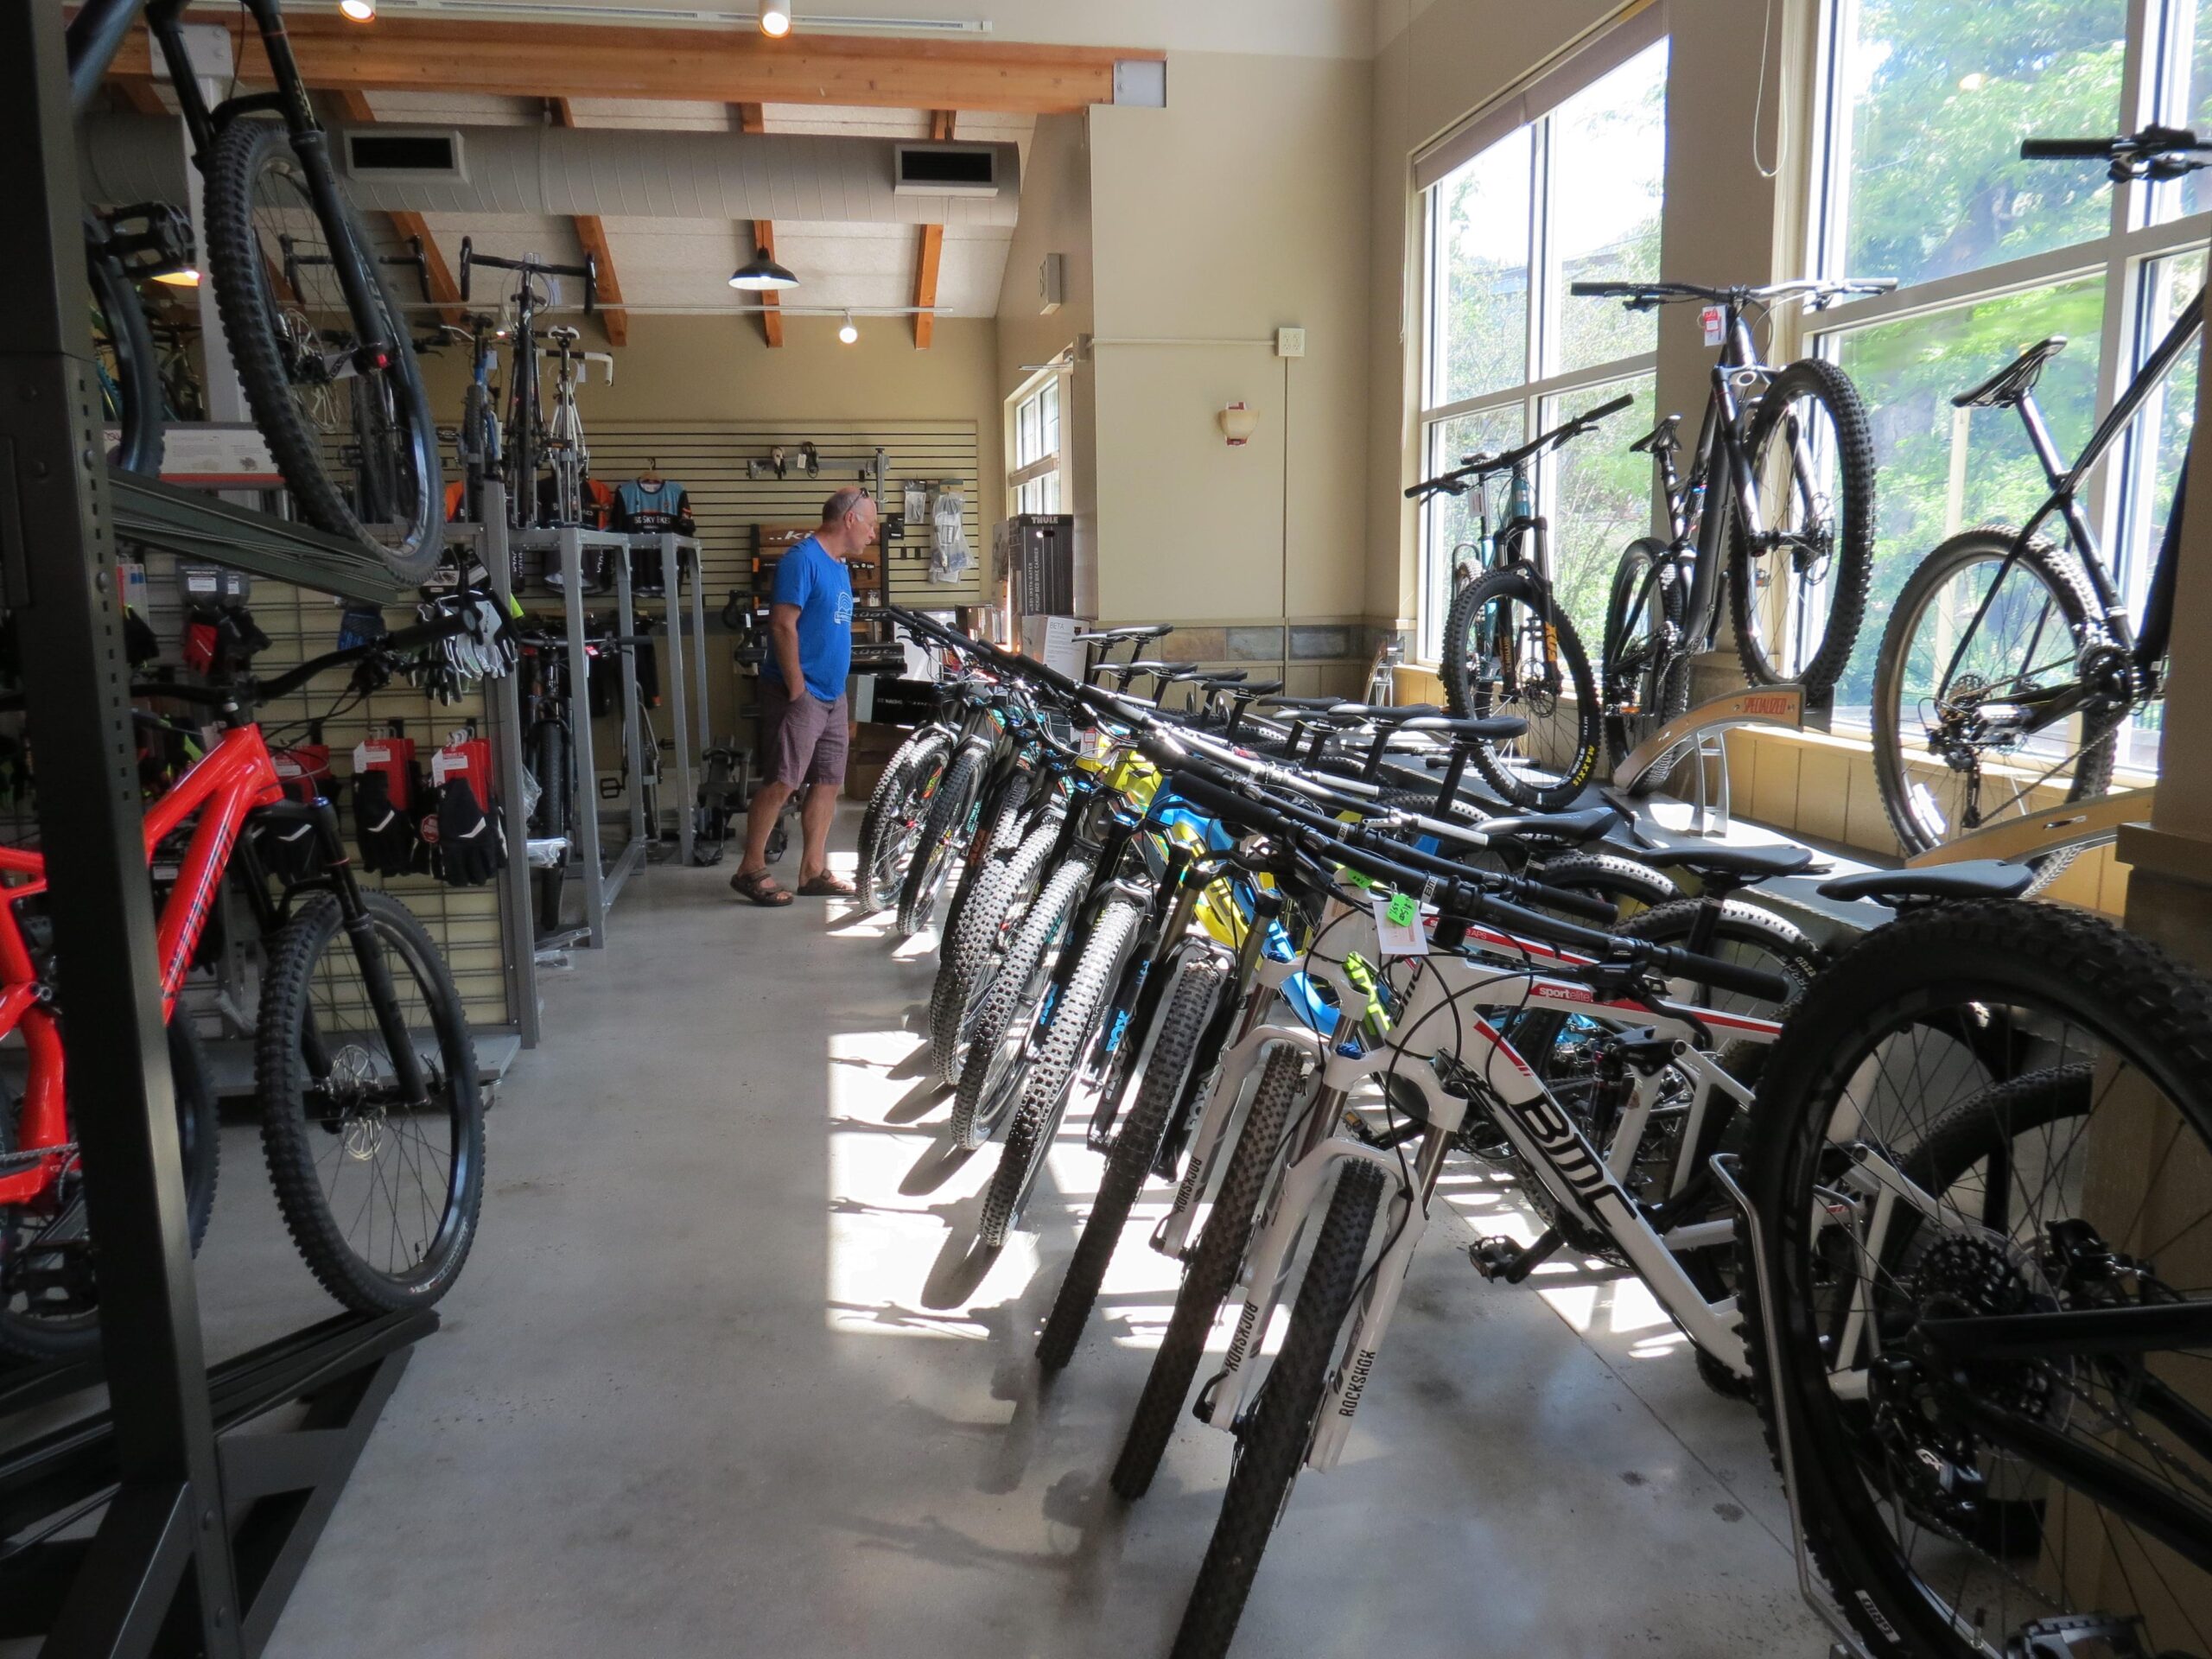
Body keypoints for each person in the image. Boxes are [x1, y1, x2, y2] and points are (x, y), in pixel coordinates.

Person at [730, 486, 873, 906]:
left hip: (832, 694)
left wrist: (832, 692)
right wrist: (796, 687)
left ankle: (812, 871)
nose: (872, 533)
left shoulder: (839, 566)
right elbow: (781, 624)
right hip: (802, 693)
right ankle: (750, 868)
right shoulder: (801, 559)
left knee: (828, 782)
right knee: (783, 781)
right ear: (849, 518)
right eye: (870, 523)